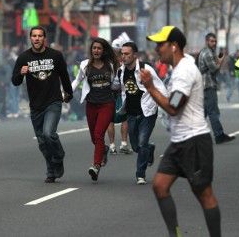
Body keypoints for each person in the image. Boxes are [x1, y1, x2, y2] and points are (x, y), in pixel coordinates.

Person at [142, 26, 222, 237]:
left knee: (204, 194)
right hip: (179, 141)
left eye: (161, 44)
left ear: (174, 46)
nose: (157, 49)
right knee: (159, 185)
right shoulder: (178, 69)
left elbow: (173, 107)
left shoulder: (185, 72)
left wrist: (150, 87)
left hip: (194, 141)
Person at [11, 26, 73, 183]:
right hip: (36, 105)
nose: (37, 38)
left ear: (45, 38)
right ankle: (51, 171)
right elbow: (15, 81)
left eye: (40, 36)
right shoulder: (23, 57)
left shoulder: (55, 55)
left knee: (48, 133)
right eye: (34, 36)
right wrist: (21, 73)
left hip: (53, 101)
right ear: (30, 38)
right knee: (42, 141)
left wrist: (68, 92)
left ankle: (58, 157)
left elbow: (64, 75)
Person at [115, 41, 168, 185]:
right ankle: (149, 149)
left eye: (127, 54)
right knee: (136, 146)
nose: (123, 57)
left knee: (142, 141)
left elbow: (161, 88)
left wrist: (165, 105)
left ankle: (140, 174)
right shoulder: (120, 71)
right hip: (131, 112)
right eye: (122, 54)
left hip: (148, 111)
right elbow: (119, 88)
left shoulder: (146, 69)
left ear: (135, 55)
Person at [72, 37, 119, 181]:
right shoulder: (85, 65)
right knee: (94, 137)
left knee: (99, 134)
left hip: (107, 104)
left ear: (103, 50)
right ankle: (103, 149)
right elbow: (77, 80)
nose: (96, 51)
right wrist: (66, 93)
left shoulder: (110, 65)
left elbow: (116, 83)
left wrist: (120, 89)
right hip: (91, 104)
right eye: (94, 48)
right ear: (91, 50)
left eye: (99, 48)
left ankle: (96, 166)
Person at [198, 33, 235, 144]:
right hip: (208, 85)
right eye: (211, 41)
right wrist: (220, 61)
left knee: (204, 112)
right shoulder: (207, 53)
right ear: (206, 41)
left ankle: (192, 135)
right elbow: (214, 69)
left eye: (215, 41)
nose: (214, 43)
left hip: (205, 85)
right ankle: (219, 135)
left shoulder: (207, 52)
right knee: (213, 111)